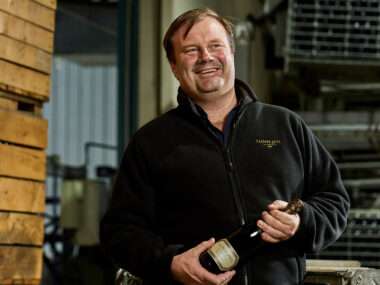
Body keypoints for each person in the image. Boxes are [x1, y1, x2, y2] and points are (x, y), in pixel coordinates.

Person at [100, 8, 349, 285]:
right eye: (191, 50)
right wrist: (171, 262)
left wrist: (302, 223)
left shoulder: (285, 125)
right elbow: (119, 233)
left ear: (231, 52)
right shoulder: (151, 142)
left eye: (215, 46)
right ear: (173, 65)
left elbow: (333, 199)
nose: (206, 57)